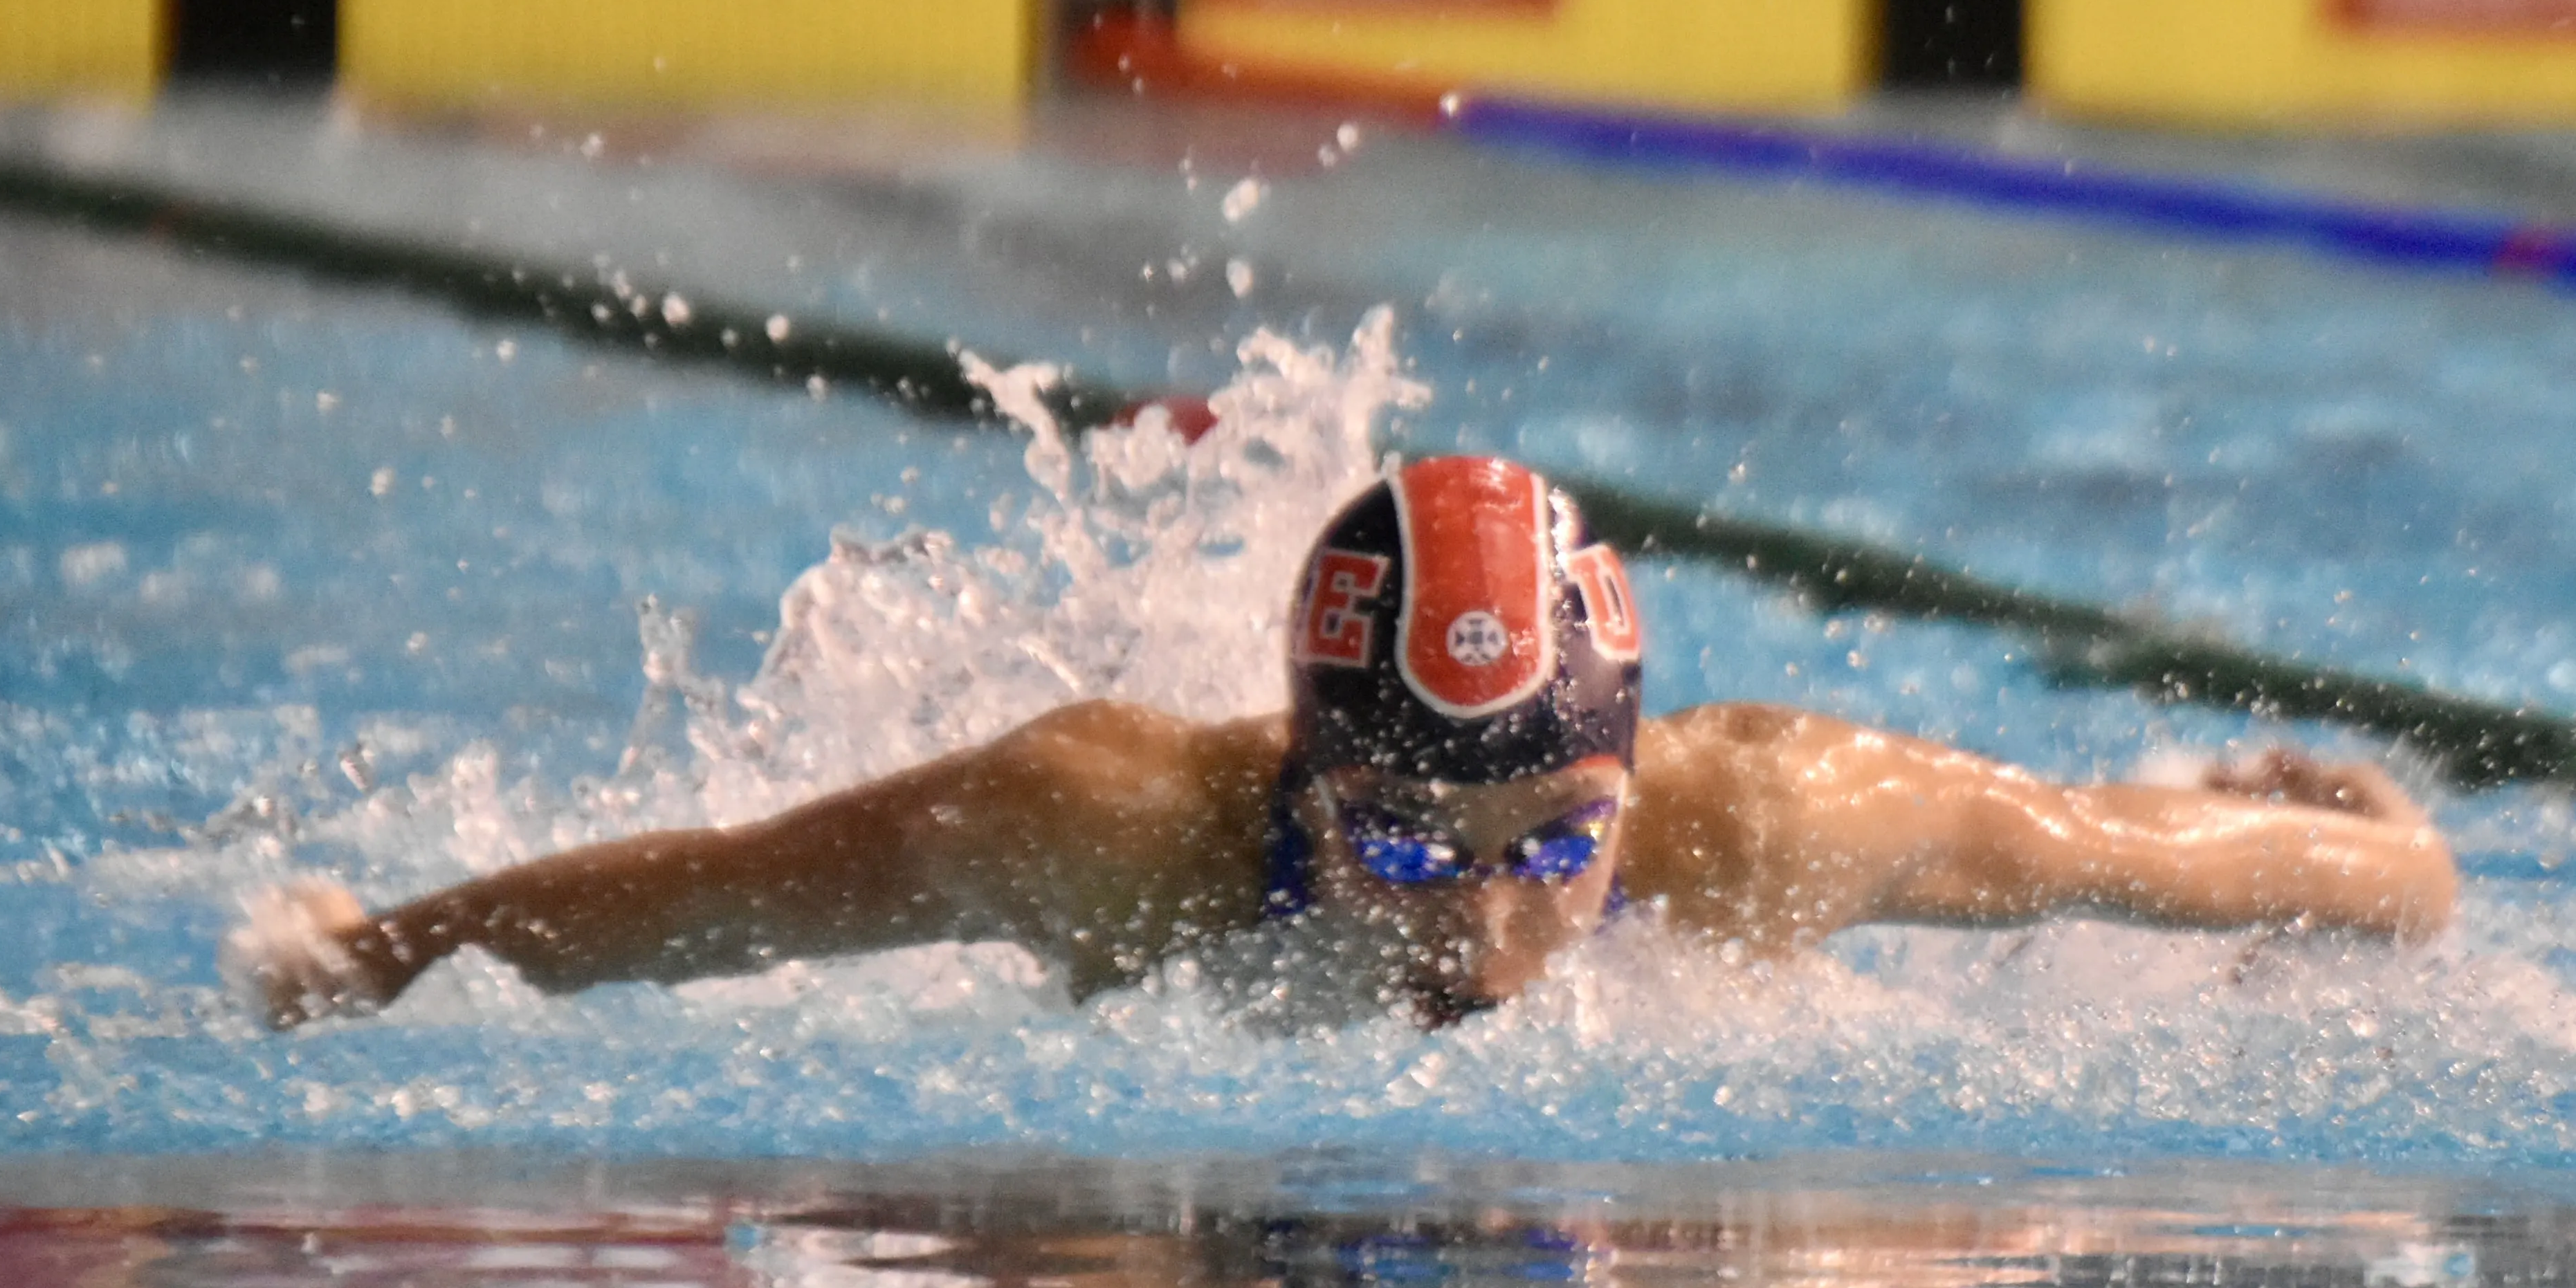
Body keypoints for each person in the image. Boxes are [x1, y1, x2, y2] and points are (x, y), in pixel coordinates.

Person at [232, 456, 2458, 1032]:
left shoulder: (1769, 824)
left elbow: (2159, 873)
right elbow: (720, 897)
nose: (1486, 942)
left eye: (1552, 850)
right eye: (1402, 852)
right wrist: (385, 954)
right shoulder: (1101, 830)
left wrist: (2375, 864)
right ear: (1304, 781)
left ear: (1631, 779)